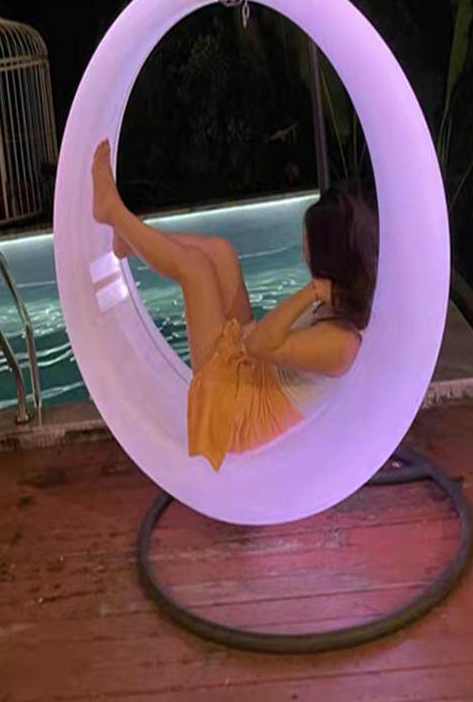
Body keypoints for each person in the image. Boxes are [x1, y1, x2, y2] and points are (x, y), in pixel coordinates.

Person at [91, 139, 378, 471]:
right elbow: (263, 343)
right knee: (221, 253)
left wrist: (311, 291)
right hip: (256, 369)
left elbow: (258, 344)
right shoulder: (342, 297)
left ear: (327, 255)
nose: (303, 242)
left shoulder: (342, 343)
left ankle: (112, 212)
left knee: (196, 269)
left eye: (308, 236)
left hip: (235, 415)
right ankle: (128, 241)